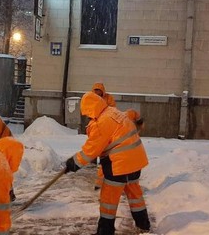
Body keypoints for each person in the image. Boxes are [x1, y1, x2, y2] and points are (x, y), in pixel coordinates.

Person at [64, 91, 151, 235]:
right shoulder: (113, 112)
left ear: (91, 109)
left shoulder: (101, 122)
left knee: (108, 199)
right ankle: (144, 225)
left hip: (119, 166)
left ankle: (105, 232)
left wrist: (74, 162)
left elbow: (92, 149)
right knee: (135, 194)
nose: (87, 117)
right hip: (136, 162)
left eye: (87, 113)